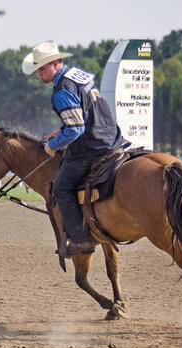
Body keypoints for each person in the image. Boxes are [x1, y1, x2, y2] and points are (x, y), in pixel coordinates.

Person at [22, 41, 125, 257]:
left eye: (42, 68)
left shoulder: (61, 90)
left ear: (56, 64)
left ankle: (81, 239)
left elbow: (76, 129)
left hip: (91, 144)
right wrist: (60, 129)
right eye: (37, 70)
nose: (39, 74)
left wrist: (52, 145)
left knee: (60, 187)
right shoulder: (78, 76)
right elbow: (84, 111)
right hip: (112, 136)